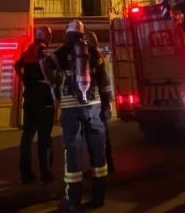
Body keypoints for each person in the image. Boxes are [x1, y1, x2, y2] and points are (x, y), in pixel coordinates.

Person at [46, 19, 112, 211]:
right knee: (98, 152)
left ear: (68, 34)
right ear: (83, 34)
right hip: (94, 107)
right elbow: (104, 81)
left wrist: (53, 85)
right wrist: (106, 104)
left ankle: (72, 200)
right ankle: (99, 197)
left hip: (71, 108)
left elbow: (47, 65)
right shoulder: (94, 52)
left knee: (73, 152)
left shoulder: (62, 51)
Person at [13, 26, 55, 185]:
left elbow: (16, 66)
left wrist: (24, 79)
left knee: (27, 135)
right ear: (43, 36)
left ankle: (25, 173)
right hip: (42, 99)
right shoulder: (42, 49)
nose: (50, 38)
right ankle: (45, 172)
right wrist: (48, 80)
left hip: (29, 97)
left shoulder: (28, 50)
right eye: (49, 35)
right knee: (44, 136)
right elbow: (43, 62)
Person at [85, 31, 115, 174]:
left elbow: (102, 79)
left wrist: (107, 99)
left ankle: (103, 166)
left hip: (98, 102)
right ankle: (102, 165)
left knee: (99, 135)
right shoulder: (94, 54)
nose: (86, 41)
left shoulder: (94, 55)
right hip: (97, 101)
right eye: (85, 38)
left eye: (89, 38)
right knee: (98, 135)